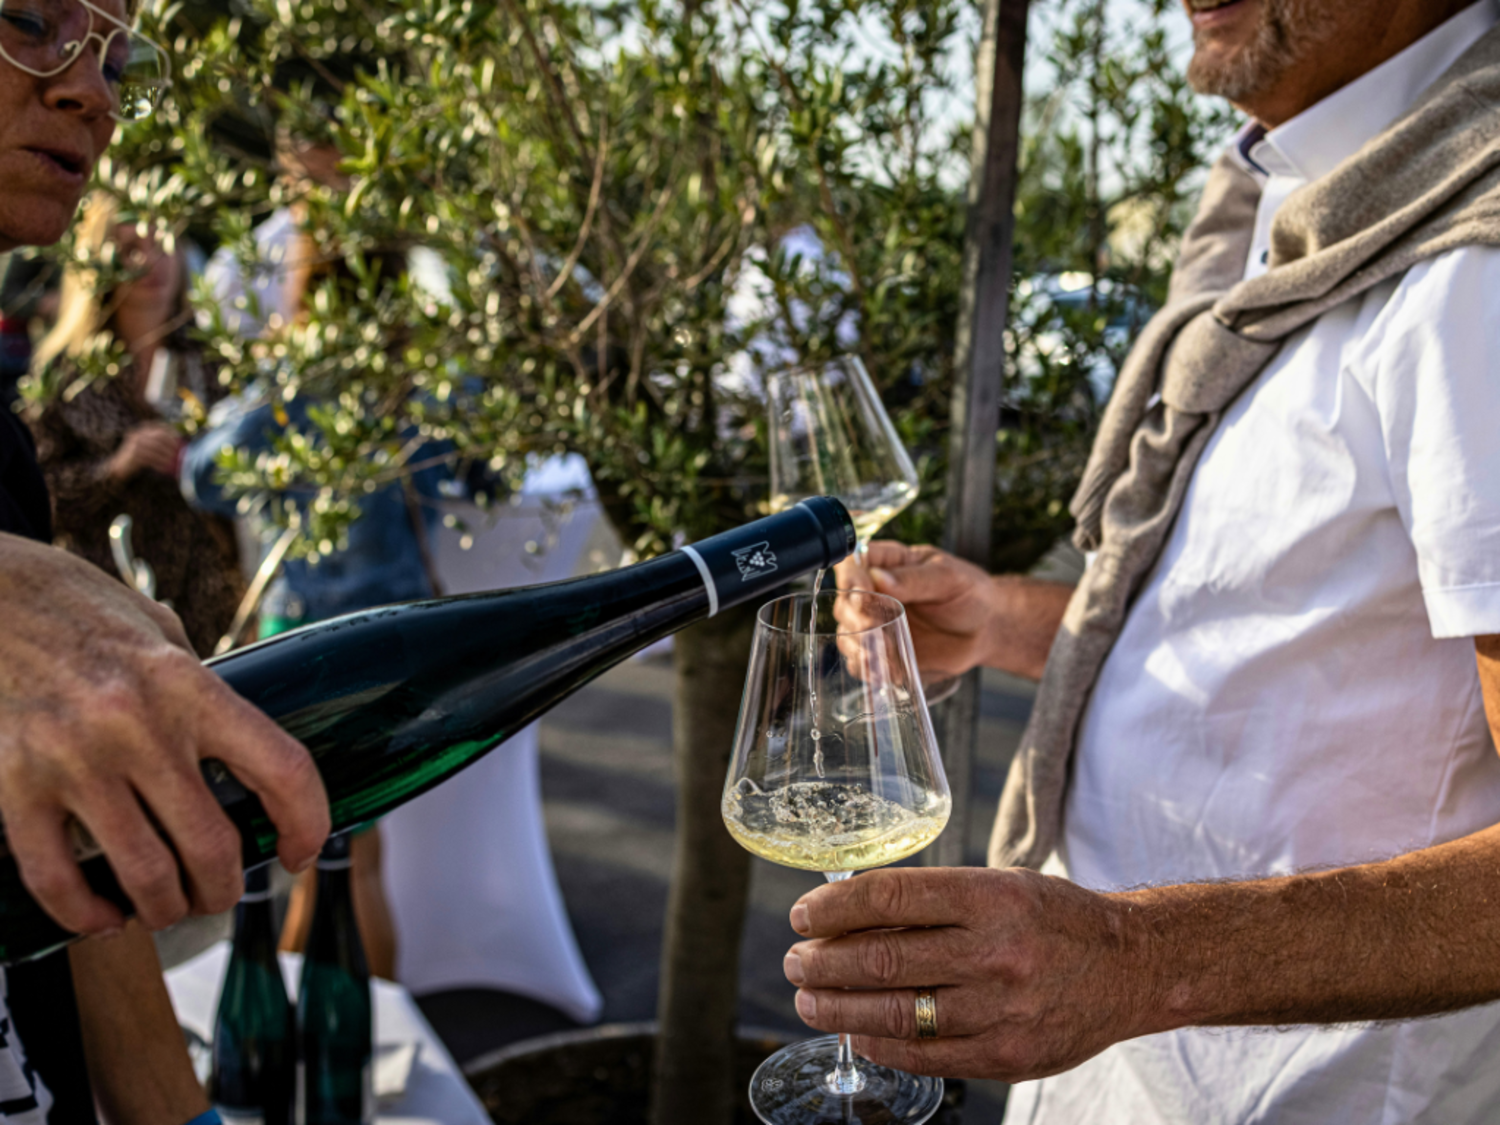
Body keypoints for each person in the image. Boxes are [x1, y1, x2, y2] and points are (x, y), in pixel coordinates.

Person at [784, 2, 1500, 1122]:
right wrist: (1010, 618)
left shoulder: (1477, 265)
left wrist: (1131, 957)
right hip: (1132, 1071)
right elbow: (1284, 617)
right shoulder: (1314, 191)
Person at [0, 0, 330, 1115]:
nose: (88, 90)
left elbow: (62, 876)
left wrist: (173, 1110)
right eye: (25, 20)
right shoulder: (54, 388)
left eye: (116, 58)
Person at [27, 194, 244, 657]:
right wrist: (117, 466)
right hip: (107, 607)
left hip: (212, 603)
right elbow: (35, 501)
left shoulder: (215, 362)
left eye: (163, 242)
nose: (150, 261)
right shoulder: (63, 376)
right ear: (98, 264)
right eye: (128, 248)